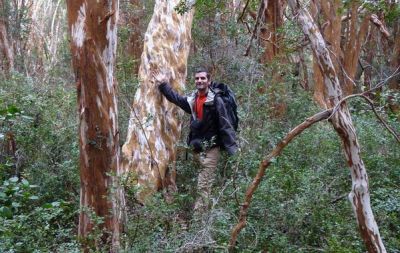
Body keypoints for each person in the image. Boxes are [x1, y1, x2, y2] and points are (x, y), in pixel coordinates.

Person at [154, 68, 237, 216]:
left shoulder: (215, 101)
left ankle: (199, 222)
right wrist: (163, 85)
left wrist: (233, 151)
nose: (199, 81)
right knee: (196, 183)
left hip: (211, 150)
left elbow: (225, 125)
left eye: (203, 78)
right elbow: (177, 99)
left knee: (203, 186)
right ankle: (195, 212)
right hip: (196, 149)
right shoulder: (194, 99)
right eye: (197, 78)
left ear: (209, 81)